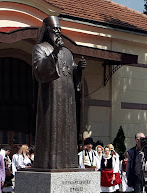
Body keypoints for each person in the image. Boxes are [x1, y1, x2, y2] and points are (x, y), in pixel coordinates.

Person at [32, 16, 86, 169]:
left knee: (68, 130)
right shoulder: (40, 48)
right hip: (51, 97)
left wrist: (79, 69)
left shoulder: (67, 52)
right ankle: (49, 162)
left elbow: (71, 70)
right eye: (54, 30)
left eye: (59, 30)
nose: (57, 33)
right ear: (46, 31)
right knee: (51, 128)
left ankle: (69, 162)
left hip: (67, 97)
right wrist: (54, 53)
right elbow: (39, 70)